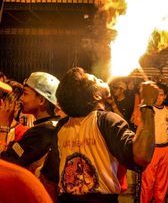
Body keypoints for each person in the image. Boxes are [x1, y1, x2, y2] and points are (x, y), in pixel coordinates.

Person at [40, 67, 158, 203]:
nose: (102, 79)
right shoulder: (107, 121)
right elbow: (142, 156)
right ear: (96, 96)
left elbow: (49, 179)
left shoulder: (62, 126)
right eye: (96, 80)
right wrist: (148, 103)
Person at [0, 72, 60, 176]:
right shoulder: (54, 126)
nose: (21, 98)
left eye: (25, 93)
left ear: (41, 100)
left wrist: (4, 127)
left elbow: (5, 164)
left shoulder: (41, 132)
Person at [140, 83, 168, 203]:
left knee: (162, 182)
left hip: (165, 149)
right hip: (151, 150)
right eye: (156, 94)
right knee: (148, 181)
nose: (158, 97)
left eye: (161, 95)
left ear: (165, 96)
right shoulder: (147, 110)